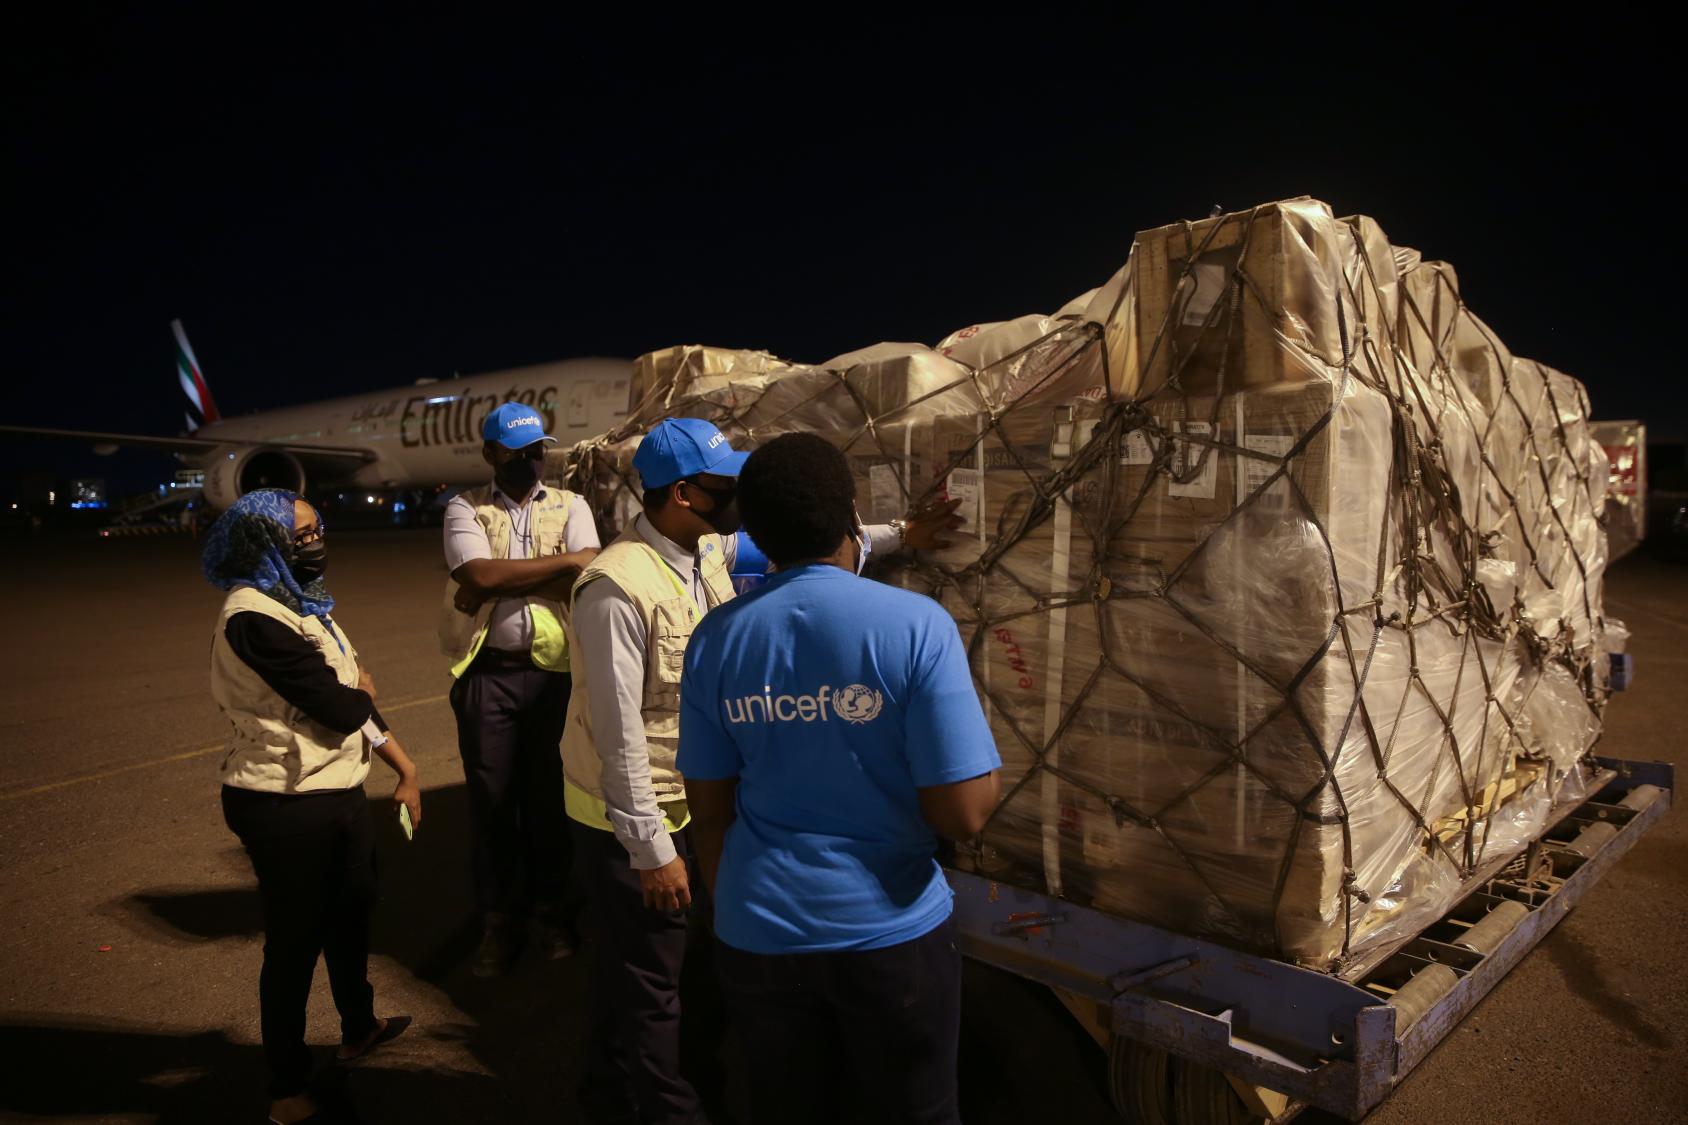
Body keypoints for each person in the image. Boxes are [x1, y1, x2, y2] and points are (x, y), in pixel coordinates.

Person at [560, 417, 958, 1125]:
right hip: (637, 819)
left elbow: (809, 545)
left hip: (695, 801)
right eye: (725, 483)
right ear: (684, 492)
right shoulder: (614, 588)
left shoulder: (704, 548)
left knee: (657, 976)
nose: (739, 496)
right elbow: (618, 735)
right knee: (659, 991)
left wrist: (902, 533)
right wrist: (651, 851)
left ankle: (605, 1090)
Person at [678, 433, 1001, 1125]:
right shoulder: (914, 626)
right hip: (887, 934)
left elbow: (707, 809)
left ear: (755, 532)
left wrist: (737, 908)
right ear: (852, 517)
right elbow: (964, 811)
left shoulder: (716, 637)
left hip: (756, 932)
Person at [204, 489, 421, 1125]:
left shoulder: (305, 606)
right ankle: (285, 1088)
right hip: (282, 803)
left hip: (336, 793)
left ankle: (359, 1027)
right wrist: (358, 692)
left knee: (352, 915)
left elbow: (357, 702)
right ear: (262, 544)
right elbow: (341, 705)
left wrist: (404, 767)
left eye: (315, 528)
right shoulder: (252, 617)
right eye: (298, 535)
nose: (313, 541)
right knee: (295, 944)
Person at [442, 401, 601, 975]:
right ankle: (498, 921)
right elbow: (476, 575)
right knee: (491, 805)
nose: (533, 461)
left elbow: (588, 571)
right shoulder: (465, 507)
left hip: (556, 674)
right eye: (519, 452)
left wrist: (507, 578)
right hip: (489, 673)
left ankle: (550, 911)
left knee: (548, 803)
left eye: (538, 450)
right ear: (490, 454)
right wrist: (559, 564)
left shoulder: (572, 503)